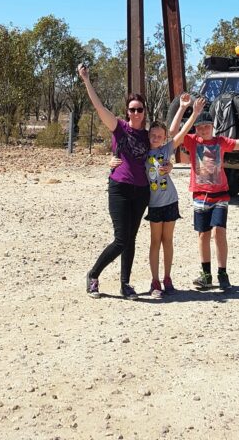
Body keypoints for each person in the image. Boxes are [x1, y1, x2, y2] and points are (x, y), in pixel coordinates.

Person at [77, 62, 150, 300]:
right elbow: (98, 107)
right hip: (119, 188)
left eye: (139, 109)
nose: (136, 113)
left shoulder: (148, 136)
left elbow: (170, 143)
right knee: (121, 238)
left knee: (131, 239)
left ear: (144, 111)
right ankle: (93, 274)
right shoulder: (119, 128)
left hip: (141, 191)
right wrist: (87, 80)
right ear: (126, 111)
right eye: (132, 109)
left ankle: (125, 284)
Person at [182, 101, 239, 291]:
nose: (204, 130)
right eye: (200, 127)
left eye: (207, 126)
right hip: (200, 195)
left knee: (219, 232)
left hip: (220, 196)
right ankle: (206, 275)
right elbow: (174, 133)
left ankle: (222, 273)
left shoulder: (221, 142)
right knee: (203, 235)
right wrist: (189, 112)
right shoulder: (192, 142)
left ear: (213, 127)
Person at [144, 93, 205, 299]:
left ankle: (167, 278)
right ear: (148, 135)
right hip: (153, 203)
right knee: (155, 241)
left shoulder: (167, 149)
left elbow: (180, 132)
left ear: (163, 138)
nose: (156, 139)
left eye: (159, 136)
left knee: (167, 240)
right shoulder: (143, 153)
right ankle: (155, 280)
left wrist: (193, 112)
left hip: (170, 200)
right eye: (153, 135)